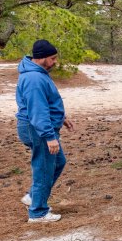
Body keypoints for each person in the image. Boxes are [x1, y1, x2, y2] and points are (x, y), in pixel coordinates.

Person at [15, 39, 74, 223]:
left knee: (57, 162)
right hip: (38, 129)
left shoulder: (38, 73)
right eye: (53, 58)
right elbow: (37, 110)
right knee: (43, 168)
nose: (55, 62)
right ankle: (38, 213)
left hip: (41, 126)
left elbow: (45, 103)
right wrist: (49, 136)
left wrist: (61, 118)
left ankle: (33, 197)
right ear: (41, 58)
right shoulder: (34, 79)